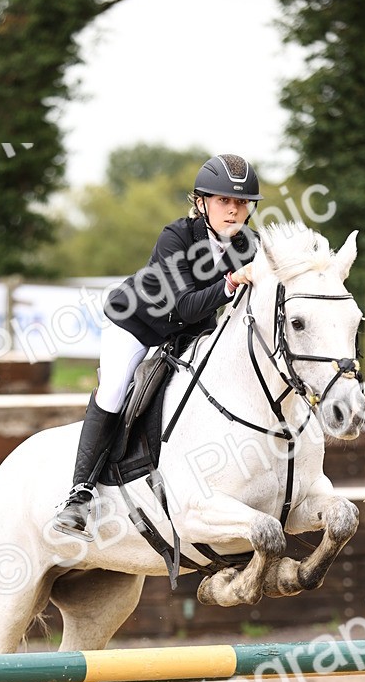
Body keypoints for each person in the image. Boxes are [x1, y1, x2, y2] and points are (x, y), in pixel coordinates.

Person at [52, 153, 262, 536]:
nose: (234, 211)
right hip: (136, 323)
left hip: (190, 332)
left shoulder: (248, 243)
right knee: (115, 389)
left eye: (241, 203)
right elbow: (184, 304)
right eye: (224, 201)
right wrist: (232, 282)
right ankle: (78, 495)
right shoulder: (176, 237)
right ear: (201, 203)